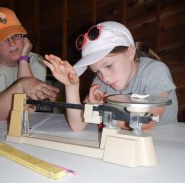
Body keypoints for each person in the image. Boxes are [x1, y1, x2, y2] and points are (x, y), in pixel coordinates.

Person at [43, 21, 178, 132]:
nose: (105, 77)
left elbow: (145, 124)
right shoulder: (103, 80)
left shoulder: (154, 71)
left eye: (108, 66)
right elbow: (77, 125)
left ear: (130, 53)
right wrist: (71, 86)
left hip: (166, 141)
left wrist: (99, 111)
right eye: (96, 71)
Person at [0, 7, 59, 120]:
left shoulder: (36, 62)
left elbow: (28, 105)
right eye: (2, 39)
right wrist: (22, 85)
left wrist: (24, 59)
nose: (12, 43)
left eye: (15, 35)